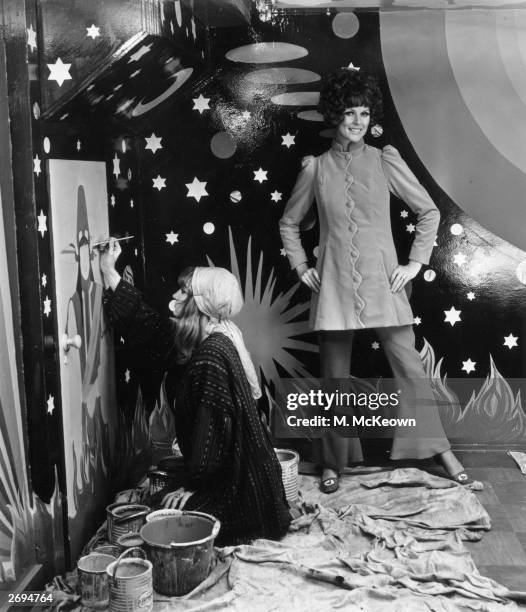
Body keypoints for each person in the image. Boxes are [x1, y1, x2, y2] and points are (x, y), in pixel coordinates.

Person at [279, 68, 470, 493]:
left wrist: (414, 264)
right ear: (335, 115)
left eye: (364, 112)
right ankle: (333, 461)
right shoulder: (316, 169)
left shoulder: (385, 159)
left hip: (385, 284)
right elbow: (289, 224)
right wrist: (300, 267)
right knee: (334, 380)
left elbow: (429, 212)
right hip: (333, 288)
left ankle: (441, 451)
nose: (358, 121)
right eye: (350, 112)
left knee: (410, 369)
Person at [99, 239, 291, 544]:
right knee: (156, 497)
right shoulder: (209, 337)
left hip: (243, 492)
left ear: (203, 304)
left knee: (150, 518)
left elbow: (211, 444)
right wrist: (109, 272)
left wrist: (191, 486)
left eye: (184, 291)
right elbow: (150, 327)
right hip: (233, 476)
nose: (174, 296)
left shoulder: (211, 357)